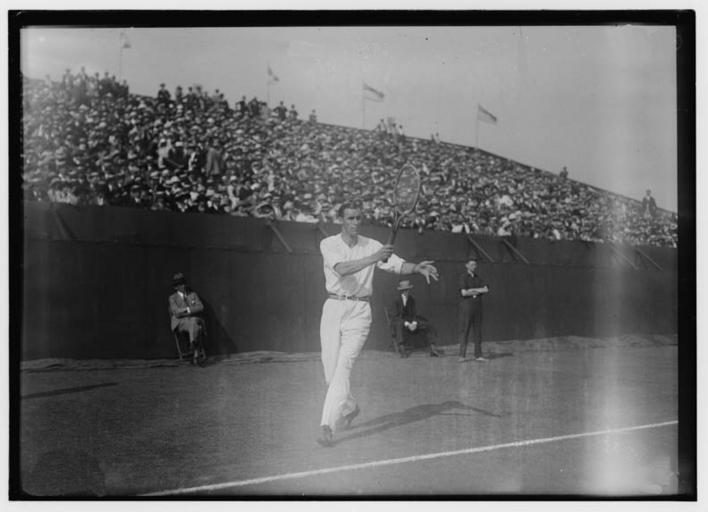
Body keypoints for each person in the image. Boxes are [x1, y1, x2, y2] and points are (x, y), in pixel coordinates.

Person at [317, 201, 439, 447]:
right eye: (350, 218)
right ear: (341, 220)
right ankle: (350, 407)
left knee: (343, 368)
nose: (355, 222)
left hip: (360, 312)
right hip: (333, 308)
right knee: (330, 372)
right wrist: (375, 257)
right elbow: (342, 269)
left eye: (358, 218)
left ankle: (327, 426)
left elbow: (397, 264)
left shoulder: (372, 244)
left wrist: (416, 268)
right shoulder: (328, 244)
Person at [390, 279, 444, 358]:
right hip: (400, 321)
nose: (406, 292)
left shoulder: (411, 299)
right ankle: (402, 349)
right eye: (404, 290)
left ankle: (433, 348)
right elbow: (396, 316)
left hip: (411, 320)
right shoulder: (396, 300)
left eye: (407, 290)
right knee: (399, 325)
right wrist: (407, 324)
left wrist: (414, 323)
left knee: (428, 324)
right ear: (401, 291)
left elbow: (414, 313)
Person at [168, 272, 206, 365]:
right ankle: (195, 352)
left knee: (194, 322)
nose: (183, 286)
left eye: (183, 283)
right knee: (195, 324)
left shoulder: (193, 294)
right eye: (180, 284)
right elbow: (177, 313)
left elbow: (201, 307)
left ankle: (193, 348)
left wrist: (185, 310)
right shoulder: (172, 298)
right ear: (176, 287)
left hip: (193, 320)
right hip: (180, 323)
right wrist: (189, 309)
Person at [457, 259, 489, 362]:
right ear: (466, 266)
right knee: (465, 331)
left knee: (478, 332)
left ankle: (478, 355)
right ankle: (462, 356)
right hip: (467, 307)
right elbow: (464, 293)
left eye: (475, 264)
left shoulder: (479, 278)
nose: (474, 266)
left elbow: (486, 289)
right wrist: (478, 291)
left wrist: (472, 290)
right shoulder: (463, 277)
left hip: (478, 307)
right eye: (471, 265)